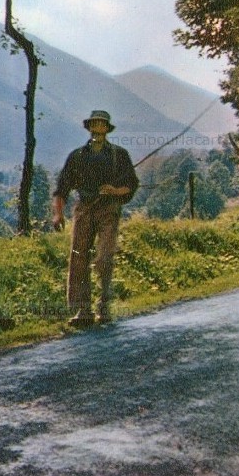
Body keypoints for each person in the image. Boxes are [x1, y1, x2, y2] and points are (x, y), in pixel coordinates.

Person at [52, 110, 139, 328]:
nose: (98, 127)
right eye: (94, 123)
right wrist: (57, 214)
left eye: (102, 123)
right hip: (84, 210)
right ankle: (83, 310)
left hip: (108, 210)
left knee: (104, 257)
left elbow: (131, 185)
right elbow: (61, 188)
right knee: (78, 257)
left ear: (107, 128)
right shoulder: (77, 156)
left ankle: (105, 305)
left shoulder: (119, 155)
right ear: (89, 127)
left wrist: (115, 190)